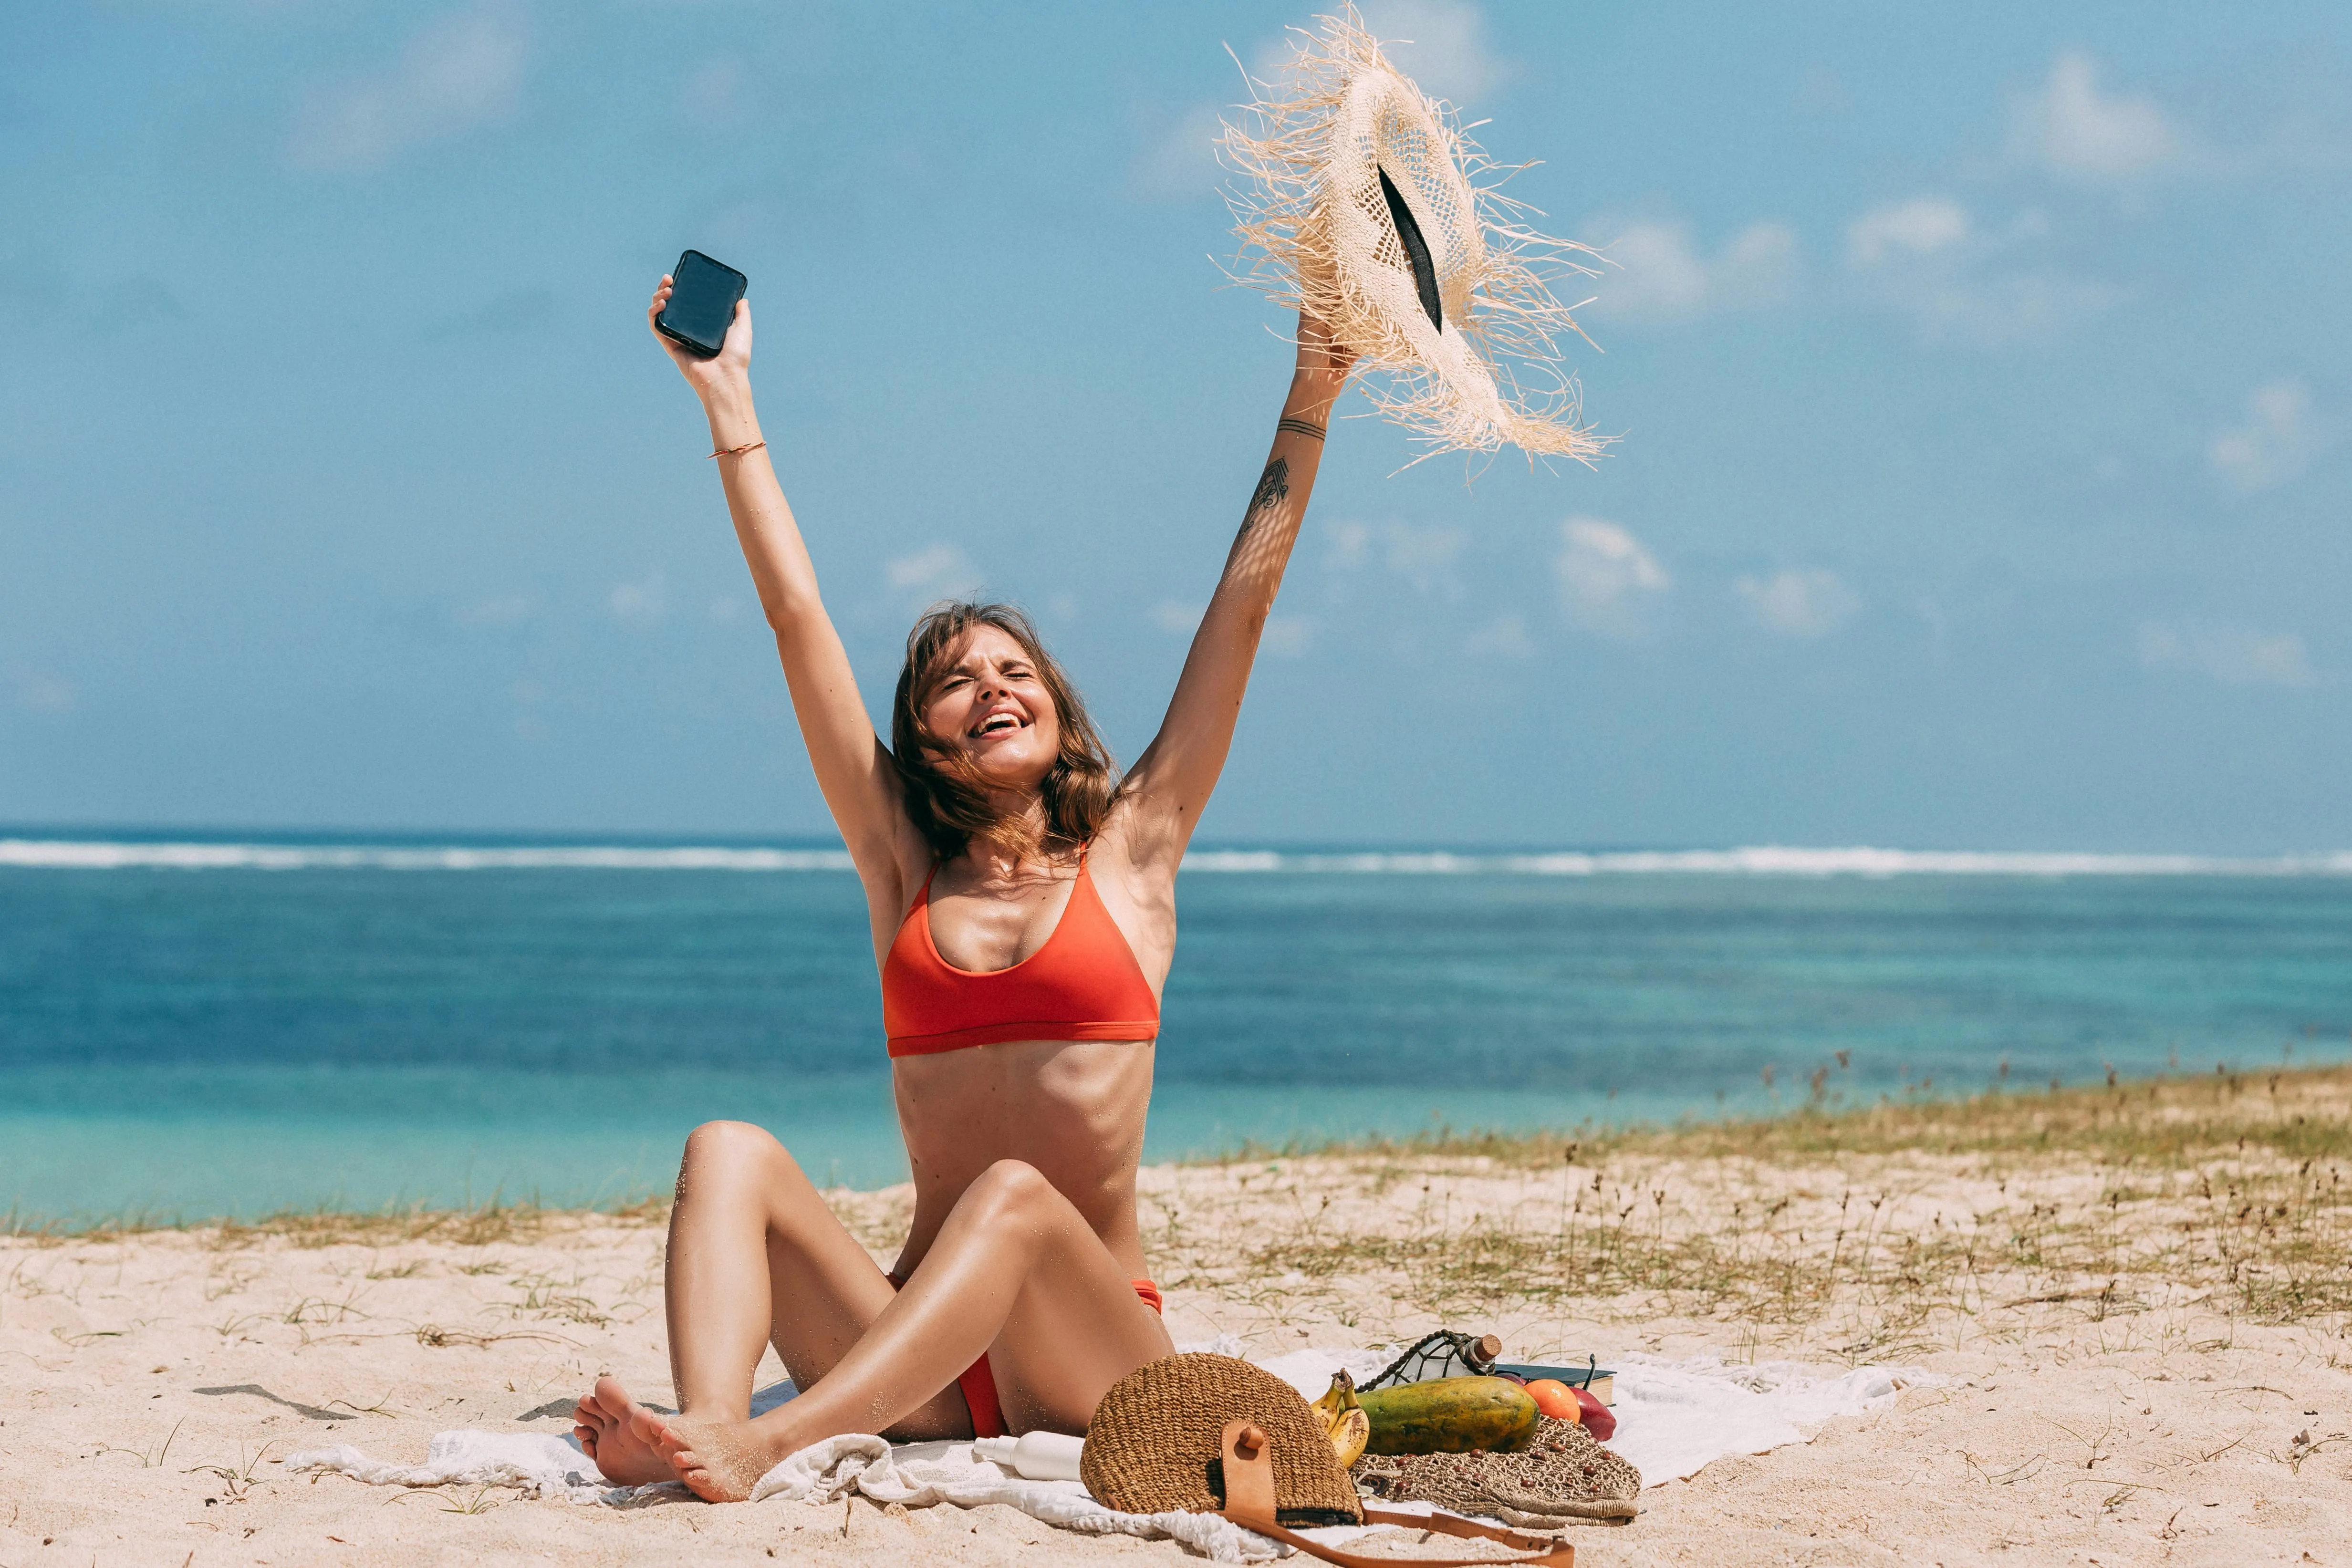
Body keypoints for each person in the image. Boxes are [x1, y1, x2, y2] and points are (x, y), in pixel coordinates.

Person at [572, 273, 1355, 1501]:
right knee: (724, 1146)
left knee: (1011, 1192)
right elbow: (796, 618)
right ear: (921, 730)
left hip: (1089, 1359)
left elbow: (1242, 610)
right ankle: (708, 1427)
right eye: (954, 679)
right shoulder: (903, 864)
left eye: (1013, 668)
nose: (991, 684)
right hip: (914, 1360)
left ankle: (767, 1443)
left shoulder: (1132, 850)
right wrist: (726, 399)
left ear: (1055, 704)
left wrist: (1309, 394)